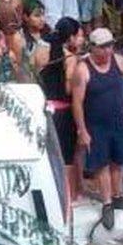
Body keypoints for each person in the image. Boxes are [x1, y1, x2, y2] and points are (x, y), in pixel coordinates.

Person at [71, 28, 123, 230]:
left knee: (118, 161)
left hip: (118, 121)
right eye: (103, 47)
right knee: (101, 165)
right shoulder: (83, 70)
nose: (108, 50)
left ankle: (118, 195)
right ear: (93, 48)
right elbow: (77, 102)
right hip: (97, 125)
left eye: (110, 45)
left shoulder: (118, 62)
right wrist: (82, 130)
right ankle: (107, 202)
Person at [36, 18, 86, 202]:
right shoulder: (70, 58)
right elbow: (68, 89)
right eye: (79, 36)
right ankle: (69, 198)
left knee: (48, 156)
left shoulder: (40, 52)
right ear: (71, 37)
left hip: (45, 108)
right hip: (63, 112)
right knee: (66, 158)